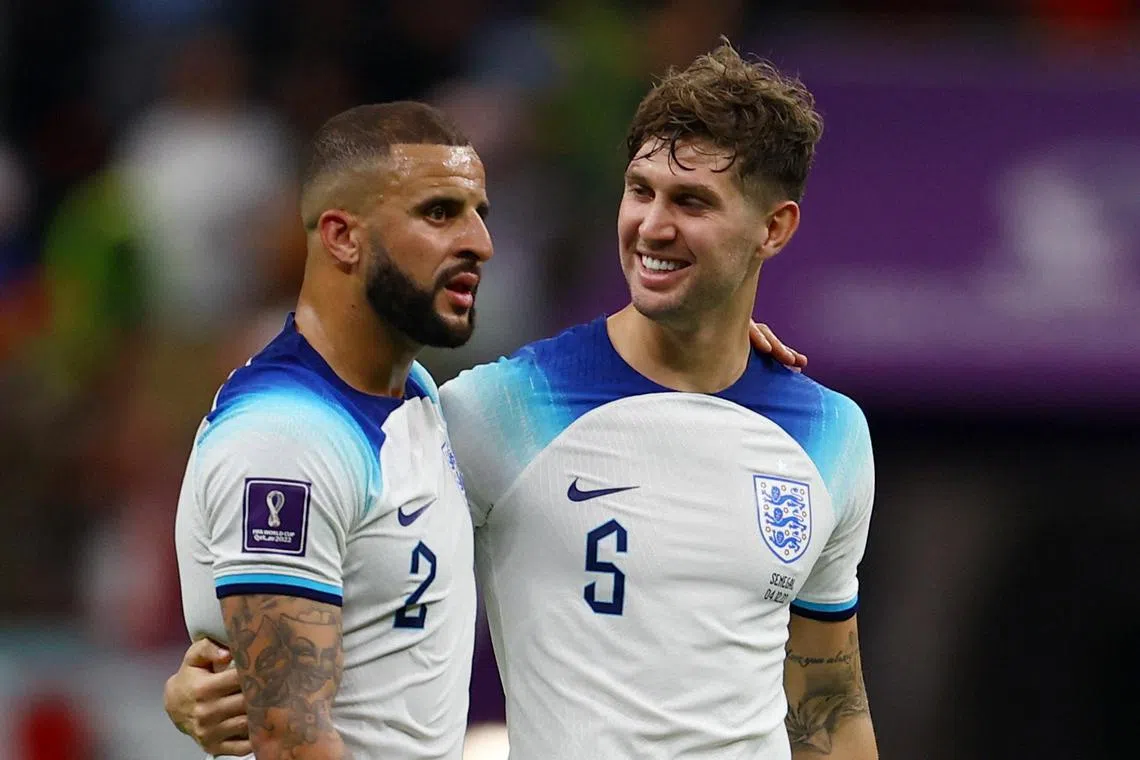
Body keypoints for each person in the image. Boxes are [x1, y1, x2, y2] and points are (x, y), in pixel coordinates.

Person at [169, 44, 866, 760]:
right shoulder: (488, 412)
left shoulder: (832, 433)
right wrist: (207, 681)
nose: (653, 226)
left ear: (773, 229)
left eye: (692, 202)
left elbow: (830, 706)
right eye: (640, 191)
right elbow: (317, 558)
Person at [172, 101, 493, 759]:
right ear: (343, 237)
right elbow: (292, 740)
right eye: (440, 213)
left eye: (479, 214)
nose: (478, 244)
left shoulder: (417, 396)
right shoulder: (284, 439)